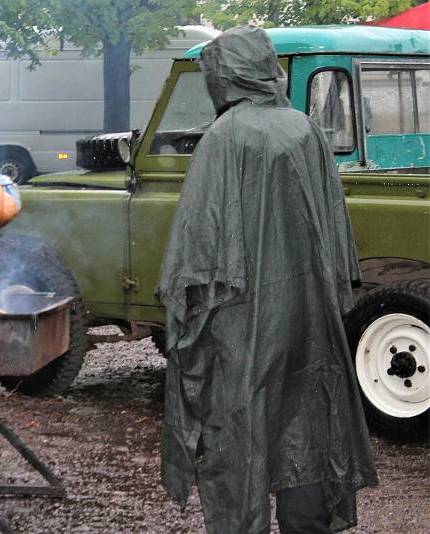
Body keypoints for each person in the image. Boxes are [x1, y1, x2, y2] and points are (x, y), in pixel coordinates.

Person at [156, 25, 378, 533]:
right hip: (308, 322)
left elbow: (197, 251)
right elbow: (338, 240)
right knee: (306, 429)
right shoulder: (304, 129)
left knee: (241, 433)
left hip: (241, 328)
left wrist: (185, 325)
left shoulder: (223, 138)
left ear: (225, 76)